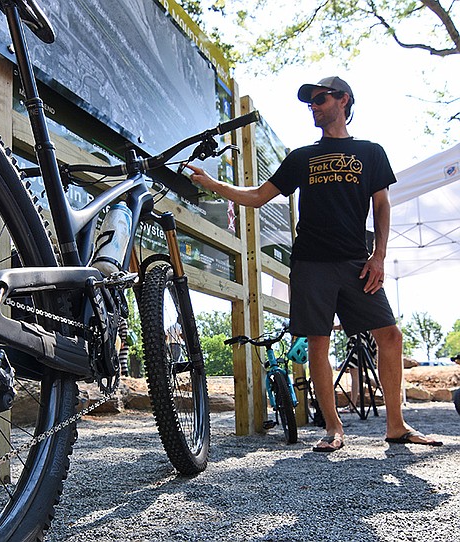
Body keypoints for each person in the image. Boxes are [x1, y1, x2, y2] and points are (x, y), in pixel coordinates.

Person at [187, 76, 442, 452]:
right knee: (318, 343)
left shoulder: (371, 152)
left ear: (344, 100)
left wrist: (379, 256)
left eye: (320, 99)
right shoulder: (302, 157)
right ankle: (333, 430)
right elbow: (258, 196)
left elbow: (381, 205)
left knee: (390, 335)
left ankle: (396, 425)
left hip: (358, 262)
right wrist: (214, 184)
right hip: (310, 263)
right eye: (310, 102)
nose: (314, 106)